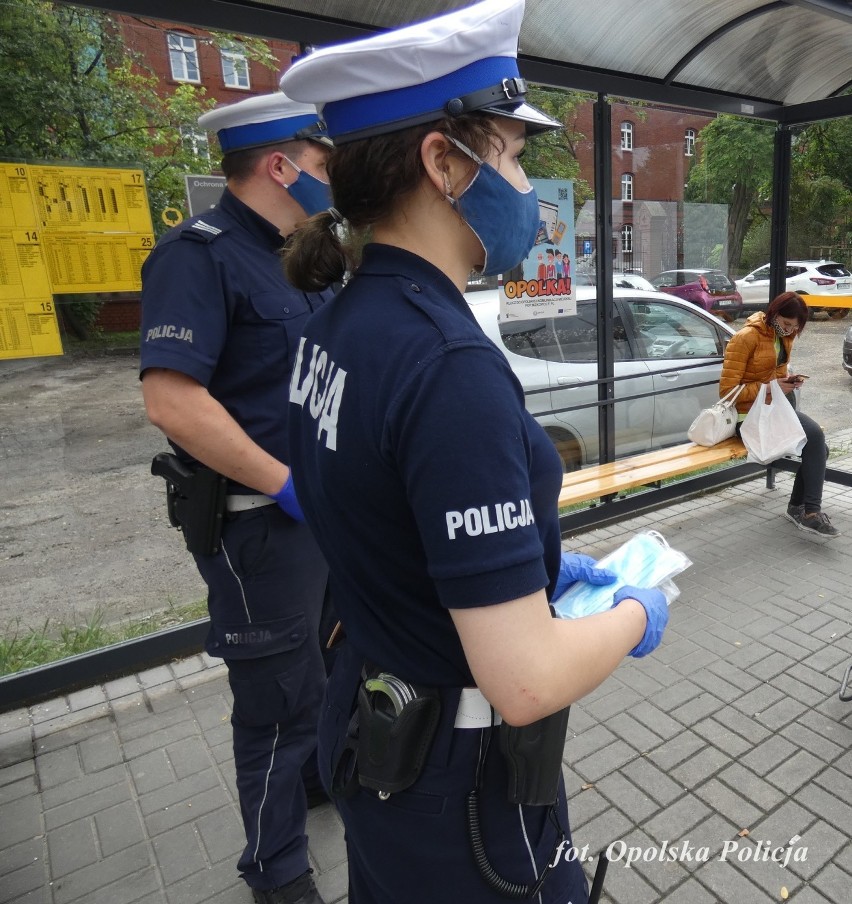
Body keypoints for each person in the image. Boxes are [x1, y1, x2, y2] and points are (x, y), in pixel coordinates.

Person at [279, 2, 670, 902]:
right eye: (511, 152)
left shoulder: (334, 322)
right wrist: (636, 613)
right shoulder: (448, 366)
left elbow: (372, 513)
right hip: (463, 794)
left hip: (376, 737)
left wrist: (527, 564)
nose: (526, 183)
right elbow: (526, 680)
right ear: (443, 162)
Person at [139, 92, 335, 904]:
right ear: (280, 164)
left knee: (321, 675)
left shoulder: (299, 253)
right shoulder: (200, 255)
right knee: (277, 708)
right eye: (323, 165)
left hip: (319, 522)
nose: (333, 181)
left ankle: (317, 786)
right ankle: (276, 870)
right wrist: (284, 482)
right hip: (261, 529)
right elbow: (172, 400)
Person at [720, 291, 839, 537]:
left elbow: (774, 377)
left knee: (819, 448)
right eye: (786, 324)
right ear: (774, 314)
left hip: (772, 411)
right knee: (815, 437)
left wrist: (787, 382)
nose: (789, 331)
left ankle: (800, 508)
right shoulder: (745, 338)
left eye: (795, 328)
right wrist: (772, 388)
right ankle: (808, 513)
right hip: (747, 419)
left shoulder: (783, 338)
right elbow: (727, 391)